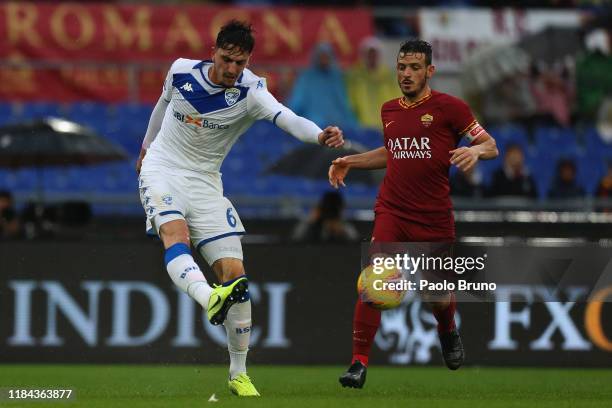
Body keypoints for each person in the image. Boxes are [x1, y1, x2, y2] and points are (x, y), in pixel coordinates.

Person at [136, 21, 344, 397]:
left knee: (237, 278)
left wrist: (318, 134)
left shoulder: (252, 91)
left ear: (249, 60)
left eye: (240, 61)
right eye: (227, 59)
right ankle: (207, 297)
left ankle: (238, 373)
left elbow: (287, 118)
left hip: (206, 184)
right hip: (162, 170)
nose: (232, 68)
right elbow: (163, 103)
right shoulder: (181, 70)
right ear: (213, 51)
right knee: (175, 235)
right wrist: (147, 147)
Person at [328, 39, 498, 388]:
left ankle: (447, 329)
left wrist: (476, 152)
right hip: (392, 209)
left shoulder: (450, 108)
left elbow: (491, 144)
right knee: (375, 280)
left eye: (414, 68)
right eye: (401, 67)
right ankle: (358, 363)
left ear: (429, 71)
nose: (406, 74)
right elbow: (393, 153)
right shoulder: (389, 110)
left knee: (436, 295)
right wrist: (351, 160)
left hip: (434, 216)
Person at [287, 42, 358, 129]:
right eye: (321, 56)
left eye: (327, 56)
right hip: (313, 126)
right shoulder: (307, 77)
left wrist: (353, 124)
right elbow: (297, 101)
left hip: (337, 125)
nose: (324, 59)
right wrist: (289, 120)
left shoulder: (336, 77)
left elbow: (343, 103)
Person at [346, 37, 398, 130]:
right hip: (363, 125)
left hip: (387, 123)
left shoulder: (388, 76)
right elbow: (351, 99)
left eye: (375, 53)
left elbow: (397, 96)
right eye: (369, 53)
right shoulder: (356, 76)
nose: (372, 56)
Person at [291, 191, 359, 243]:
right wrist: (312, 223)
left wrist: (341, 232)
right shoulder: (311, 226)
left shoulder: (345, 228)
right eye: (327, 208)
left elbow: (356, 246)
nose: (330, 212)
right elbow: (295, 242)